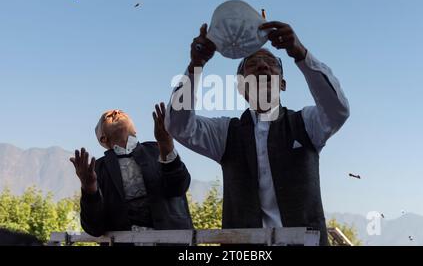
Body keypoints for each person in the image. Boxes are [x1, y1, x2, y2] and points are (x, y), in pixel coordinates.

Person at [165, 22, 350, 246]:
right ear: (241, 87)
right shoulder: (226, 133)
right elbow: (177, 125)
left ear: (282, 84)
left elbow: (338, 110)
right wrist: (196, 65)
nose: (262, 66)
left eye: (271, 63)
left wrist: (300, 53)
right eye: (252, 64)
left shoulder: (307, 124)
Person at [70, 106, 192, 238]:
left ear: (134, 130)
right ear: (103, 138)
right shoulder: (97, 168)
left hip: (171, 241)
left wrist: (167, 146)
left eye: (121, 112)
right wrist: (89, 188)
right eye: (109, 116)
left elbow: (179, 187)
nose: (116, 112)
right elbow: (94, 228)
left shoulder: (157, 149)